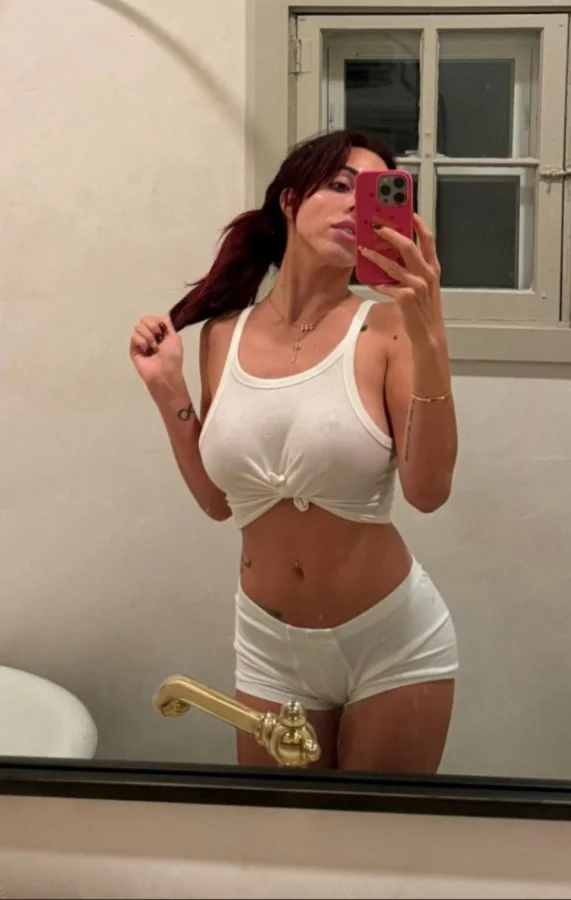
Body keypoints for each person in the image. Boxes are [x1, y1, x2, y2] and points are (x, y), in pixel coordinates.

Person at [129, 130, 459, 774]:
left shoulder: (387, 329)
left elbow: (428, 491)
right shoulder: (222, 334)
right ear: (288, 200)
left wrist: (431, 339)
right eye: (338, 185)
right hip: (269, 649)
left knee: (375, 833)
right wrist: (168, 391)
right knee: (277, 829)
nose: (355, 205)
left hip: (390, 640)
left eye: (372, 194)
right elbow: (221, 504)